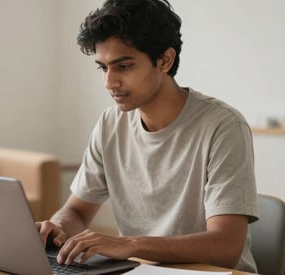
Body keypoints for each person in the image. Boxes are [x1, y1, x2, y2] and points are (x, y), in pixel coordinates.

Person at [37, 0, 259, 272]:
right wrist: (58, 228)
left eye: (124, 66)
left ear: (165, 60)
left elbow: (225, 247)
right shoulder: (110, 123)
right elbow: (77, 211)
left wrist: (129, 244)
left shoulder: (223, 126)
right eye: (103, 67)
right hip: (142, 270)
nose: (109, 82)